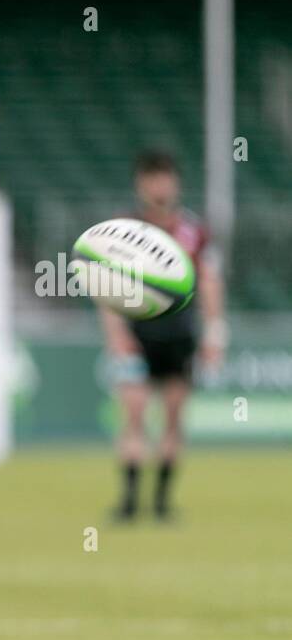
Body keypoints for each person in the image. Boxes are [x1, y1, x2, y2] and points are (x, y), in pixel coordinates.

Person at [100, 150, 226, 521]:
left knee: (173, 417)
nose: (160, 185)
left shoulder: (193, 232)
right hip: (137, 336)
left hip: (179, 336)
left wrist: (214, 335)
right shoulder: (122, 231)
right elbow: (105, 286)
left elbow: (210, 283)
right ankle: (128, 501)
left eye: (165, 177)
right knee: (134, 414)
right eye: (153, 177)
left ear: (176, 182)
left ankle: (161, 503)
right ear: (141, 183)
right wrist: (116, 334)